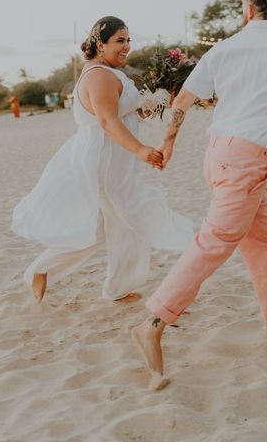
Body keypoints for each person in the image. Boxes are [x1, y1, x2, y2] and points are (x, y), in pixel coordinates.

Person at [131, 0, 267, 390]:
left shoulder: (225, 48)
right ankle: (152, 323)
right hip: (247, 161)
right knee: (216, 242)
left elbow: (182, 101)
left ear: (249, 7)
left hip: (220, 154)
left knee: (260, 238)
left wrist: (167, 145)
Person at [12, 16, 193, 303]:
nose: (127, 46)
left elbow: (124, 113)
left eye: (128, 40)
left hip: (118, 162)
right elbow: (108, 121)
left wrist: (157, 101)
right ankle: (181, 252)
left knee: (101, 227)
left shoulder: (109, 73)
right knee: (130, 218)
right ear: (100, 44)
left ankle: (46, 269)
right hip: (107, 163)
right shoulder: (98, 76)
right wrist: (141, 149)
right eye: (120, 41)